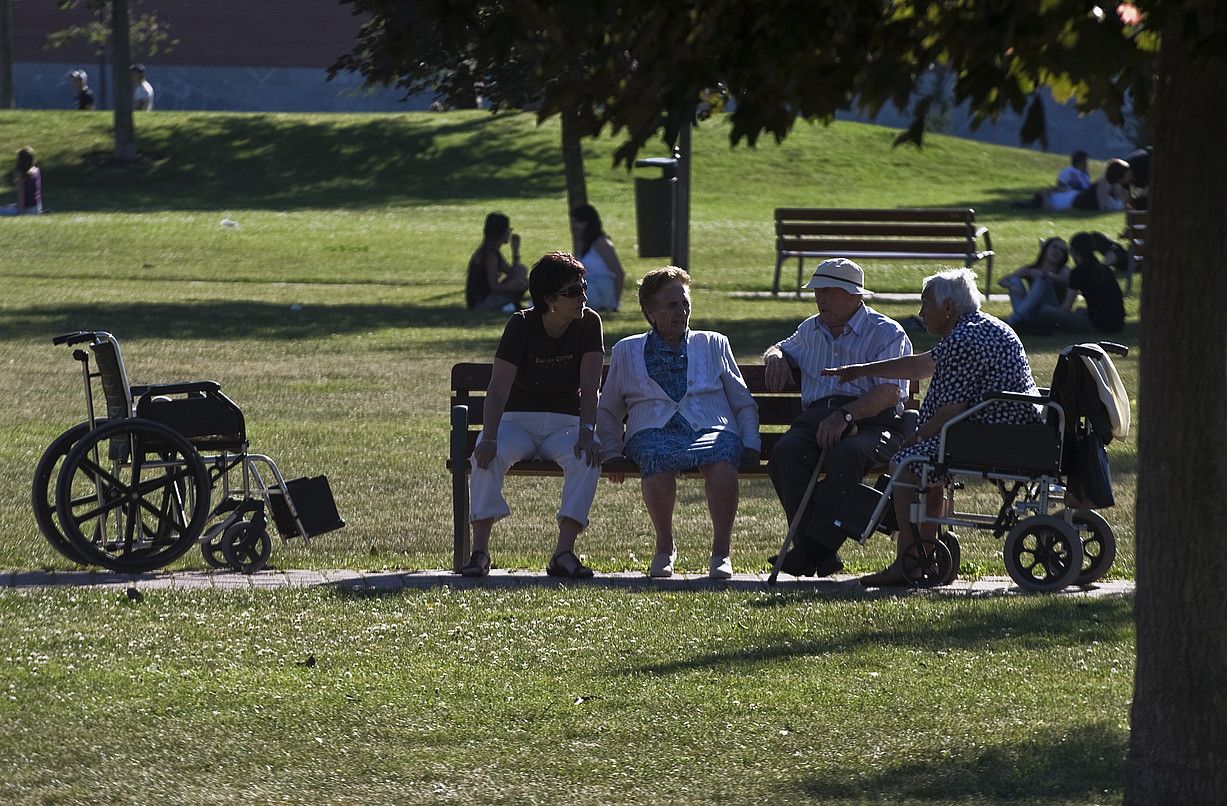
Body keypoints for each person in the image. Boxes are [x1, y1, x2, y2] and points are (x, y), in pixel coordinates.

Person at [825, 268, 1045, 587]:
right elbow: (921, 365)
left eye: (925, 303)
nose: (920, 312)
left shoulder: (964, 339)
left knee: (907, 463)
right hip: (1010, 427)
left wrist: (915, 437)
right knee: (922, 461)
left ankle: (908, 561)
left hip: (991, 434)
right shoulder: (983, 327)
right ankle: (923, 551)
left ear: (947, 308)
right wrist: (860, 371)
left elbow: (950, 410)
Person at [597, 267, 760, 579]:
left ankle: (721, 552)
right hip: (652, 430)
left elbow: (742, 400)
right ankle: (664, 547)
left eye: (684, 303)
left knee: (723, 456)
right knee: (656, 456)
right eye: (671, 305)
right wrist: (612, 451)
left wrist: (751, 441)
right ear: (651, 312)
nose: (681, 312)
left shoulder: (714, 343)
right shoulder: (626, 350)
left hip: (710, 427)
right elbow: (608, 410)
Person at [761, 258, 912, 577]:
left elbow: (890, 392)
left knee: (849, 454)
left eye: (828, 291)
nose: (820, 298)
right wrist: (775, 356)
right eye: (817, 290)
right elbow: (782, 347)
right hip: (817, 418)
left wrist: (846, 415)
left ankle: (808, 551)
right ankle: (819, 553)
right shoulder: (809, 329)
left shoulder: (885, 332)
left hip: (873, 420)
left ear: (854, 296)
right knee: (786, 453)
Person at [461, 252, 604, 579]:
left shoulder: (590, 322)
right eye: (573, 291)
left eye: (583, 287)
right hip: (517, 421)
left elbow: (589, 383)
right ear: (550, 299)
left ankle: (563, 553)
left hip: (566, 425)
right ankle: (480, 552)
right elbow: (498, 388)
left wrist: (587, 430)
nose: (583, 295)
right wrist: (491, 436)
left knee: (587, 457)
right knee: (485, 455)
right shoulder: (520, 325)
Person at [1037, 231, 1126, 335]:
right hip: (1118, 325)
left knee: (1045, 311)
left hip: (1098, 327)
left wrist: (1057, 315)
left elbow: (1066, 308)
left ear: (1074, 252)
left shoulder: (1078, 272)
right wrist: (1087, 312)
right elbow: (1107, 302)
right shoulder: (1105, 269)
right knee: (1080, 311)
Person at [998, 236, 1070, 333]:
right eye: (1054, 247)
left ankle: (1013, 320)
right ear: (1045, 249)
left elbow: (1068, 280)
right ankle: (1022, 321)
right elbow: (1002, 280)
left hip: (1050, 312)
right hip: (1032, 312)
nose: (1057, 251)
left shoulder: (1063, 270)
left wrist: (1047, 275)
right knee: (1015, 281)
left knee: (1042, 280)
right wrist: (1013, 287)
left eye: (1062, 250)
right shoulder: (1033, 268)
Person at [465, 212, 529, 312]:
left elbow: (513, 273)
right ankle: (510, 306)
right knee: (522, 276)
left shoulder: (494, 252)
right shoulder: (490, 256)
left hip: (487, 299)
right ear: (501, 232)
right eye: (508, 230)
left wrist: (515, 251)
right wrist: (519, 287)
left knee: (521, 270)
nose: (509, 233)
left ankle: (510, 305)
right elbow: (495, 287)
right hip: (480, 303)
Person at [570, 203, 625, 312]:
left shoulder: (601, 243)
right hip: (586, 286)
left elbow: (619, 273)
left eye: (579, 222)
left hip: (601, 288)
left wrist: (615, 302)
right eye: (574, 222)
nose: (575, 226)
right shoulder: (580, 243)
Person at [1, 147, 43, 217]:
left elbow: (22, 199)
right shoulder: (36, 171)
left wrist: (20, 214)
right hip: (37, 209)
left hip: (26, 210)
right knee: (8, 206)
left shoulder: (22, 177)